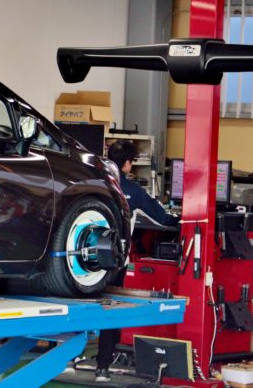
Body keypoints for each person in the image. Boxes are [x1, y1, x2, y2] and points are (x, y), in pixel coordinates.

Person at [94, 140, 179, 383]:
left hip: (84, 262)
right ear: (127, 163)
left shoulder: (94, 182)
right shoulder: (133, 190)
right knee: (111, 310)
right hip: (114, 262)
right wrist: (183, 219)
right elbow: (163, 218)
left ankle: (74, 354)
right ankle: (102, 367)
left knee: (87, 307)